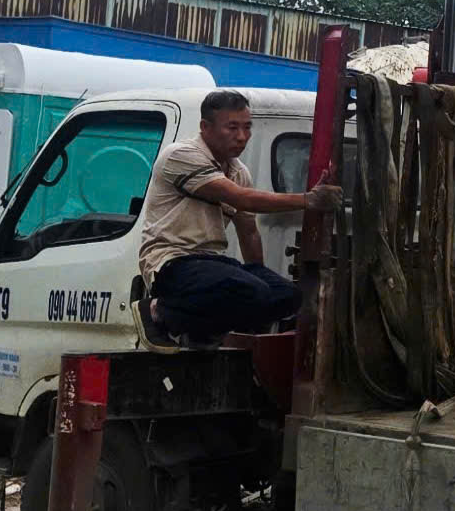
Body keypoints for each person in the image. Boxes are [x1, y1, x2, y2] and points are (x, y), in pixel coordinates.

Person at [136, 89, 338, 342]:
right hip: (172, 262)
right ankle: (157, 311)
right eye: (232, 128)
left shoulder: (238, 171)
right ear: (205, 127)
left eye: (247, 127)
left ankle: (202, 329)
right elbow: (242, 198)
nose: (242, 137)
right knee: (251, 291)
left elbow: (249, 232)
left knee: (287, 296)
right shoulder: (181, 155)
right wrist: (309, 200)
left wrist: (261, 285)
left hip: (213, 264)